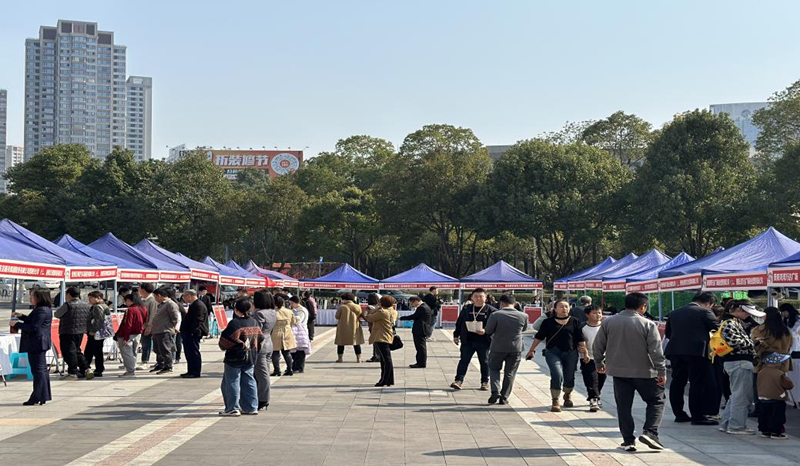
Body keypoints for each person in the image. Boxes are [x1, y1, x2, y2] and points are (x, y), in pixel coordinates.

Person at [593, 292, 666, 452]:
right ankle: (650, 432)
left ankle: (628, 441)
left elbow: (598, 345)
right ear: (643, 306)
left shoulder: (609, 322)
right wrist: (661, 370)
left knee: (623, 406)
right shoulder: (647, 324)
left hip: (619, 372)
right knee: (656, 401)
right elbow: (655, 351)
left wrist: (599, 362)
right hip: (645, 372)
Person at [664, 292, 719, 425]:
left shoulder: (674, 312)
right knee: (697, 383)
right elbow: (717, 330)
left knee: (677, 382)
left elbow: (668, 333)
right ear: (709, 304)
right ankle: (697, 416)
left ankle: (679, 414)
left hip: (676, 351)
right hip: (697, 352)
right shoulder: (705, 312)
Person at [526, 299, 585, 412]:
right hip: (552, 352)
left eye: (566, 307)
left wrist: (584, 350)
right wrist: (532, 350)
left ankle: (567, 394)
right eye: (561, 307)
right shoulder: (548, 322)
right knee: (557, 374)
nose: (564, 309)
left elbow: (580, 337)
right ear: (555, 309)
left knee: (569, 376)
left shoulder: (574, 321)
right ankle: (555, 399)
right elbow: (539, 336)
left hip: (571, 352)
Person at [718, 300, 761, 435]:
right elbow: (734, 342)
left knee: (736, 395)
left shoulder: (731, 322)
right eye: (747, 312)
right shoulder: (730, 323)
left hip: (735, 362)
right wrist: (753, 342)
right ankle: (736, 426)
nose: (749, 315)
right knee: (742, 396)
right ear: (739, 310)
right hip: (739, 362)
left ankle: (726, 424)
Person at [218, 299, 264, 416]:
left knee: (231, 381)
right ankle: (251, 407)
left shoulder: (235, 323)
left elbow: (225, 341)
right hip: (251, 356)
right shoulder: (254, 322)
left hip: (235, 357)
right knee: (249, 380)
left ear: (236, 310)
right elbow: (261, 338)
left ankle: (232, 408)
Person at [12, 288, 53, 405]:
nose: (30, 298)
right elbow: (32, 321)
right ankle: (42, 395)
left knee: (38, 371)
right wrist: (21, 316)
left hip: (37, 343)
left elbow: (34, 327)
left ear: (40, 297)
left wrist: (17, 324)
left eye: (32, 296)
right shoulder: (43, 309)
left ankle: (37, 396)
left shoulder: (41, 310)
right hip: (39, 343)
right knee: (41, 370)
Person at [485, 294, 527, 405]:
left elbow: (488, 330)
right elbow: (524, 329)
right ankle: (504, 396)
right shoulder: (523, 316)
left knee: (494, 369)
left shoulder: (495, 315)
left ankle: (495, 390)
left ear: (501, 303)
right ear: (515, 303)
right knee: (510, 373)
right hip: (516, 348)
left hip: (497, 347)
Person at [451, 288, 496, 390]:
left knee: (484, 362)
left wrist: (486, 330)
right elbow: (459, 323)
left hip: (484, 341)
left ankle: (484, 382)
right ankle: (458, 380)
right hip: (468, 340)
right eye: (476, 296)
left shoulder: (492, 311)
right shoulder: (467, 309)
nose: (478, 298)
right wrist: (456, 335)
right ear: (472, 298)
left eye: (481, 296)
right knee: (464, 361)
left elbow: (495, 326)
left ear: (486, 298)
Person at [54, 286, 91, 380]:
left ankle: (73, 372)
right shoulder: (86, 304)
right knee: (77, 351)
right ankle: (86, 368)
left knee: (69, 352)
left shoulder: (68, 305)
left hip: (68, 331)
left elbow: (57, 314)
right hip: (81, 331)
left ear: (69, 294)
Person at [365, 295, 397, 387]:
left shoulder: (382, 312)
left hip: (381, 337)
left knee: (385, 360)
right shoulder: (392, 311)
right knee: (386, 359)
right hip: (387, 336)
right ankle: (388, 379)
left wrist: (376, 308)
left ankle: (384, 379)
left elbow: (369, 317)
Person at [251, 291, 276, 410]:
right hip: (269, 343)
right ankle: (261, 397)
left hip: (260, 345)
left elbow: (256, 331)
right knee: (263, 372)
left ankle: (263, 399)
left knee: (262, 374)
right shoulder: (272, 312)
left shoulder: (259, 314)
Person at [757, 352, 791, 439]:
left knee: (764, 415)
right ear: (777, 364)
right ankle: (776, 432)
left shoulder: (761, 372)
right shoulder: (779, 373)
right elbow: (788, 385)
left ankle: (765, 431)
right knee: (777, 416)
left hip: (762, 397)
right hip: (776, 398)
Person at [579, 304, 606, 412]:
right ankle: (594, 399)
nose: (598, 315)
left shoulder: (605, 326)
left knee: (601, 379)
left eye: (599, 312)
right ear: (587, 315)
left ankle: (596, 395)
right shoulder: (582, 327)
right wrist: (581, 349)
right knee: (590, 378)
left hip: (604, 357)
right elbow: (578, 340)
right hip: (587, 357)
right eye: (594, 313)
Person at [149, 288, 180, 375]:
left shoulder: (170, 304)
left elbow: (175, 317)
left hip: (165, 330)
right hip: (158, 330)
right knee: (158, 349)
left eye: (155, 296)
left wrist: (172, 326)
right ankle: (160, 364)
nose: (155, 298)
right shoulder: (161, 304)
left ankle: (168, 366)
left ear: (159, 296)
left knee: (165, 349)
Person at [180, 290, 209, 378]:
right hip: (189, 332)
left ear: (189, 295)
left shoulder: (198, 305)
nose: (184, 299)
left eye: (184, 296)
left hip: (193, 333)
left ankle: (195, 371)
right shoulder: (194, 304)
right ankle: (191, 370)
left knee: (193, 352)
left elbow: (198, 320)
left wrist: (193, 331)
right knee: (189, 352)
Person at [117, 293, 146, 377]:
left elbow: (128, 324)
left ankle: (130, 371)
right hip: (137, 333)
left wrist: (126, 337)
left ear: (129, 301)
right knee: (133, 352)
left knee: (127, 353)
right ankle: (131, 368)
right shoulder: (143, 308)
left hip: (128, 334)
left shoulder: (131, 310)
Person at [400, 296, 433, 369]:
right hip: (422, 329)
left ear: (416, 301)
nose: (412, 305)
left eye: (412, 303)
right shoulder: (425, 306)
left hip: (420, 329)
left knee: (420, 347)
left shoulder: (422, 307)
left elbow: (414, 316)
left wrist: (401, 318)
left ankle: (421, 363)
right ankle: (420, 362)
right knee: (420, 346)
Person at [85, 291, 111, 378]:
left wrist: (93, 330)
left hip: (96, 333)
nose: (89, 300)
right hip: (101, 333)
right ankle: (97, 368)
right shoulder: (104, 306)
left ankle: (89, 368)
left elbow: (98, 320)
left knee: (91, 351)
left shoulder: (97, 307)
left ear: (98, 298)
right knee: (97, 351)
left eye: (91, 298)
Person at [334, 293, 365, 363]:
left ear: (344, 299)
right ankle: (358, 359)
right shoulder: (357, 306)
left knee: (341, 343)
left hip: (343, 327)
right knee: (356, 342)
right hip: (354, 326)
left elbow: (337, 316)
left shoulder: (342, 307)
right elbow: (360, 314)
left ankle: (340, 358)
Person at [270, 295, 297, 376]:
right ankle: (290, 369)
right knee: (287, 352)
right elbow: (293, 322)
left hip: (275, 332)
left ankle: (277, 370)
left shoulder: (272, 312)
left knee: (275, 353)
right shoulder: (289, 311)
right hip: (287, 332)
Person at [781, 303, 800, 403]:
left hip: (796, 351)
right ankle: (794, 399)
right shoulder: (786, 321)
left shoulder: (798, 321)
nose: (784, 314)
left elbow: (795, 333)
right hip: (789, 351)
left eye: (785, 311)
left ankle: (797, 399)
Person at [288, 296, 312, 373]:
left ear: (296, 302)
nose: (291, 305)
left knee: (300, 351)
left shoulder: (301, 310)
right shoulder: (296, 309)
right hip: (297, 333)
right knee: (295, 351)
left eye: (292, 303)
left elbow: (298, 321)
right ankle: (295, 366)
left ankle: (299, 368)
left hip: (301, 333)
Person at [138, 283, 158, 369]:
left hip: (147, 326)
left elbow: (153, 314)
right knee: (143, 343)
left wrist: (150, 326)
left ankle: (145, 361)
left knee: (147, 344)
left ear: (143, 290)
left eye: (139, 288)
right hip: (141, 325)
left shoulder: (152, 301)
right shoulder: (142, 299)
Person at [365, 293, 382, 362]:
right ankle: (378, 355)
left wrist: (368, 319)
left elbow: (364, 315)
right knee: (379, 341)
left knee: (375, 341)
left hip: (372, 326)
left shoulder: (369, 307)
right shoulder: (379, 307)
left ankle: (376, 355)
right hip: (379, 325)